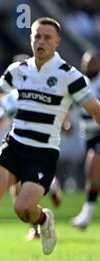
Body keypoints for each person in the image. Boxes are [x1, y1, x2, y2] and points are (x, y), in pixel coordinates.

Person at [0, 17, 100, 261]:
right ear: (31, 38)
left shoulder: (69, 76)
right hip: (14, 144)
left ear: (57, 42)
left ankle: (43, 218)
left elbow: (95, 109)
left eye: (47, 37)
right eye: (37, 36)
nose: (41, 42)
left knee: (23, 209)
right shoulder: (19, 70)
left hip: (43, 153)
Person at [0, 53, 64, 241]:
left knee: (24, 191)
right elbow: (3, 120)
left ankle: (49, 190)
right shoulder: (10, 95)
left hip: (40, 146)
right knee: (17, 194)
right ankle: (38, 221)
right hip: (17, 144)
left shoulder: (46, 87)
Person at [71, 49, 100, 230]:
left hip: (99, 132)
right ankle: (87, 213)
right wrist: (65, 123)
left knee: (93, 166)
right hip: (87, 134)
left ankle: (87, 214)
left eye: (94, 61)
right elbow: (68, 105)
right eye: (88, 61)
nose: (90, 64)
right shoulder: (79, 82)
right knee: (91, 174)